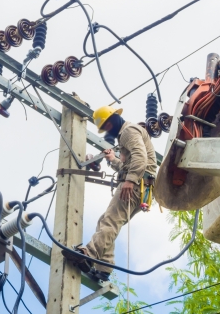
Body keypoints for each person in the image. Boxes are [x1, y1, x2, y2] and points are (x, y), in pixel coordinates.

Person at [62, 105, 157, 281]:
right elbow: (130, 164)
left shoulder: (128, 131)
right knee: (106, 221)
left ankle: (88, 254)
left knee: (110, 222)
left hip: (136, 184)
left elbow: (140, 157)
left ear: (112, 122)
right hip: (142, 186)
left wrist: (130, 180)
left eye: (106, 126)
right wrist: (113, 160)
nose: (107, 131)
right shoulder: (127, 134)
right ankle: (104, 268)